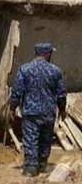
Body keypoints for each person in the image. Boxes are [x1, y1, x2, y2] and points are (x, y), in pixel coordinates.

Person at [10, 42, 66, 176]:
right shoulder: (55, 70)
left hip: (30, 112)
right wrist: (62, 109)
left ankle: (31, 167)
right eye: (50, 53)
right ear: (47, 54)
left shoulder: (25, 69)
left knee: (31, 139)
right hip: (48, 112)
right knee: (46, 139)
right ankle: (42, 164)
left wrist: (13, 107)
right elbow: (61, 94)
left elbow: (17, 90)